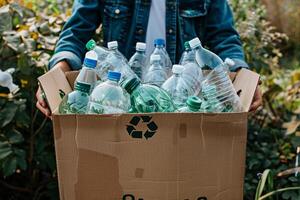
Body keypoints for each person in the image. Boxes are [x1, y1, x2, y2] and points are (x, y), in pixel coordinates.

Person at [36, 0, 262, 116]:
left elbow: (224, 37)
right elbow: (76, 33)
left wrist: (244, 76)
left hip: (180, 105)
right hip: (119, 104)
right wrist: (56, 74)